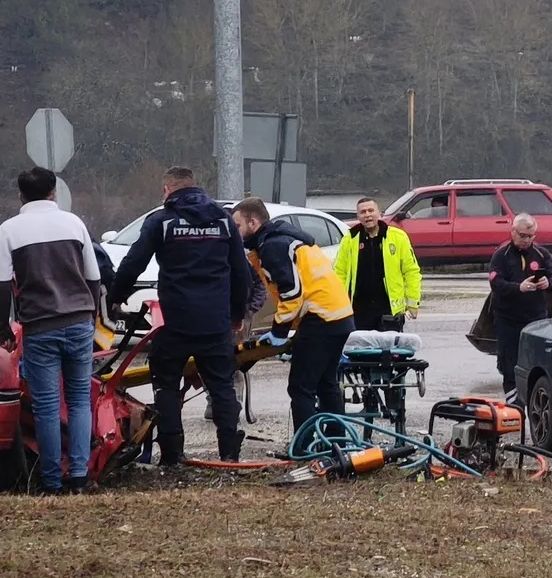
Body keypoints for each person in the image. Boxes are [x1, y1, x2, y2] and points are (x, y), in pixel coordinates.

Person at [108, 166, 251, 466]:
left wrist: (114, 297)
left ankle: (173, 454)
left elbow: (133, 263)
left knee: (167, 385)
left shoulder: (161, 221)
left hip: (175, 320)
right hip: (214, 321)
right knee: (222, 386)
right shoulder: (223, 221)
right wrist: (236, 315)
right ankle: (229, 453)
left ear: (167, 190)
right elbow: (241, 273)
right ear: (194, 186)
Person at [0, 165, 103, 492]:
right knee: (81, 399)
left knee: (47, 406)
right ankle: (80, 476)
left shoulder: (10, 230)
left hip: (40, 327)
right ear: (54, 192)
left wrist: (3, 329)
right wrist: (90, 315)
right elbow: (93, 277)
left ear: (21, 195)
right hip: (79, 321)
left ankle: (52, 481)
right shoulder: (74, 223)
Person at [234, 196, 356, 433]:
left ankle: (306, 446)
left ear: (253, 222)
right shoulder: (288, 240)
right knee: (326, 383)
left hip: (320, 319)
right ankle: (338, 441)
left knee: (301, 388)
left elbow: (291, 291)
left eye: (237, 225)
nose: (235, 232)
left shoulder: (272, 246)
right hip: (339, 317)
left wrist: (279, 330)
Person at [488, 213, 552, 403]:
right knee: (509, 365)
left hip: (536, 319)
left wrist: (549, 282)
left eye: (531, 236)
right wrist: (518, 288)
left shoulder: (542, 254)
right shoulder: (501, 255)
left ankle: (536, 404)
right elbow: (496, 283)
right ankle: (515, 407)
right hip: (508, 320)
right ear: (513, 232)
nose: (526, 240)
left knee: (537, 364)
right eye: (523, 235)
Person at [334, 198, 422, 332]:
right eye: (363, 212)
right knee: (361, 352)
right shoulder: (349, 239)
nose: (367, 215)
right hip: (359, 311)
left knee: (389, 351)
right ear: (358, 216)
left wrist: (413, 304)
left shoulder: (398, 237)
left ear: (379, 213)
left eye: (371, 210)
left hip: (389, 311)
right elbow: (340, 273)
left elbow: (411, 272)